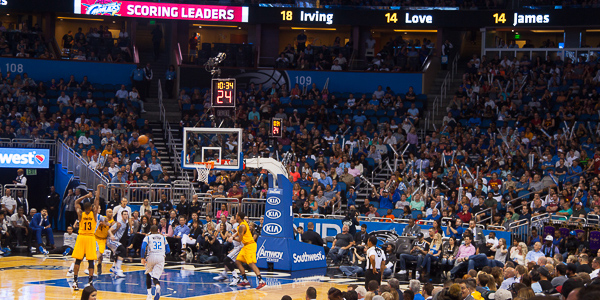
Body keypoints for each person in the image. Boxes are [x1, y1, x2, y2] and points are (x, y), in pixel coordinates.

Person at [71, 185, 102, 290]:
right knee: (90, 261)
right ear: (91, 208)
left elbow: (76, 203)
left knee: (78, 261)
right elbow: (97, 201)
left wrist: (85, 196)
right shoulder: (94, 215)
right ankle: (90, 282)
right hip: (90, 238)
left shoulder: (80, 214)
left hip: (81, 237)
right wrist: (97, 189)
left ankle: (75, 281)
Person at [234, 211, 266, 289]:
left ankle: (261, 281)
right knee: (237, 261)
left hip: (250, 245)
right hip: (245, 246)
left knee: (251, 263)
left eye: (237, 215)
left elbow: (239, 239)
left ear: (239, 217)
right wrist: (234, 232)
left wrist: (232, 238)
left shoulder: (242, 226)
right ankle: (245, 280)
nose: (235, 215)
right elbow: (240, 232)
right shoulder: (241, 224)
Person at [141, 225, 169, 300]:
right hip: (160, 257)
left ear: (150, 230)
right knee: (155, 277)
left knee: (148, 273)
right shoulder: (163, 237)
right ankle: (157, 286)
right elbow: (168, 250)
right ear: (158, 230)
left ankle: (149, 295)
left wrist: (142, 257)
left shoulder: (148, 237)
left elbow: (143, 247)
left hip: (151, 256)